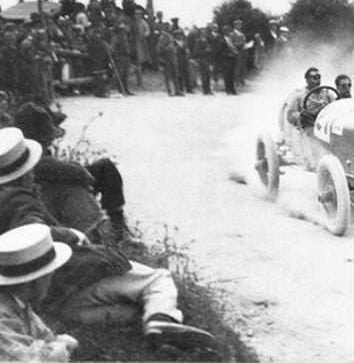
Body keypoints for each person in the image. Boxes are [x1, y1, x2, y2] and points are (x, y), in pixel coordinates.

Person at [0, 127, 218, 353]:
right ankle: (161, 320)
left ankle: (152, 328)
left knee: (128, 312)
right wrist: (72, 235)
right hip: (63, 280)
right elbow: (32, 230)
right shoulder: (17, 199)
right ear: (26, 172)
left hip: (41, 302)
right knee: (158, 279)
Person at [14, 102, 128, 244]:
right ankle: (102, 235)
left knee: (103, 168)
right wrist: (85, 180)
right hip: (41, 203)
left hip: (42, 197)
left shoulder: (20, 150)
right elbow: (79, 174)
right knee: (73, 187)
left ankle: (117, 227)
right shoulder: (29, 155)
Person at [0, 223, 78, 362]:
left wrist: (57, 343)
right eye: (49, 277)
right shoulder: (3, 314)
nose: (50, 283)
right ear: (36, 280)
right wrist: (59, 347)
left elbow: (44, 336)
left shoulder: (19, 301)